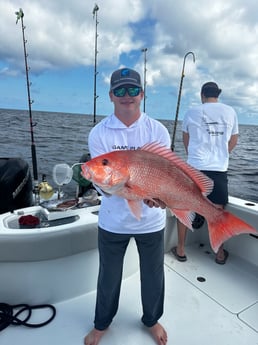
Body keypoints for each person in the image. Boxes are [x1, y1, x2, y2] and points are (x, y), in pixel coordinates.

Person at [84, 67, 170, 345]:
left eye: (133, 89)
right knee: (108, 277)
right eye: (120, 90)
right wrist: (132, 189)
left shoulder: (157, 130)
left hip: (152, 222)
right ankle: (101, 323)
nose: (127, 96)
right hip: (113, 221)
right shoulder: (99, 133)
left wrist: (160, 196)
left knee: (153, 276)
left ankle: (152, 320)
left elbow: (165, 175)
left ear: (142, 94)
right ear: (110, 96)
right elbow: (103, 181)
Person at [172, 81, 239, 265]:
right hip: (219, 169)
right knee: (218, 212)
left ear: (202, 95)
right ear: (218, 94)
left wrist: (193, 157)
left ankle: (181, 249)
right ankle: (219, 253)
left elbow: (186, 139)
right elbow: (234, 139)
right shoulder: (230, 112)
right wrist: (222, 155)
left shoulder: (191, 112)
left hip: (194, 167)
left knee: (185, 207)